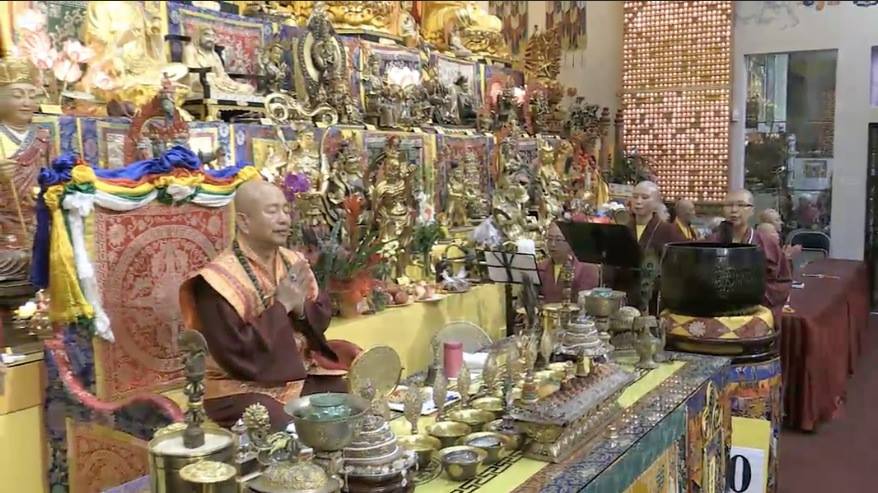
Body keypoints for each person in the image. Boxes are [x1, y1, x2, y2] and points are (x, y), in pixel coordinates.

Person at [179, 180, 359, 431]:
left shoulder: (293, 261)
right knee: (282, 424)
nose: (284, 219)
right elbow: (235, 352)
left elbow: (322, 315)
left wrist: (301, 309)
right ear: (244, 222)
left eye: (286, 210)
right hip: (239, 385)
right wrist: (282, 306)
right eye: (272, 211)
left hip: (295, 373)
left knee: (348, 399)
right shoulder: (216, 282)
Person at [710, 190, 791, 318]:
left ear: (752, 210)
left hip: (756, 313)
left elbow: (783, 281)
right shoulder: (710, 242)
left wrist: (753, 294)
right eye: (729, 205)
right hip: (716, 312)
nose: (734, 210)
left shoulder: (767, 243)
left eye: (741, 205)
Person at [613, 181, 685, 313]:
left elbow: (679, 266)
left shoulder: (668, 231)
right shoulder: (622, 229)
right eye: (635, 197)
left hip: (654, 300)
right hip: (623, 297)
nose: (638, 201)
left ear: (657, 202)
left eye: (645, 197)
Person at [539, 222, 600, 303]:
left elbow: (585, 302)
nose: (552, 244)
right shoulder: (541, 267)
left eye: (558, 240)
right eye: (549, 239)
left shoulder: (587, 268)